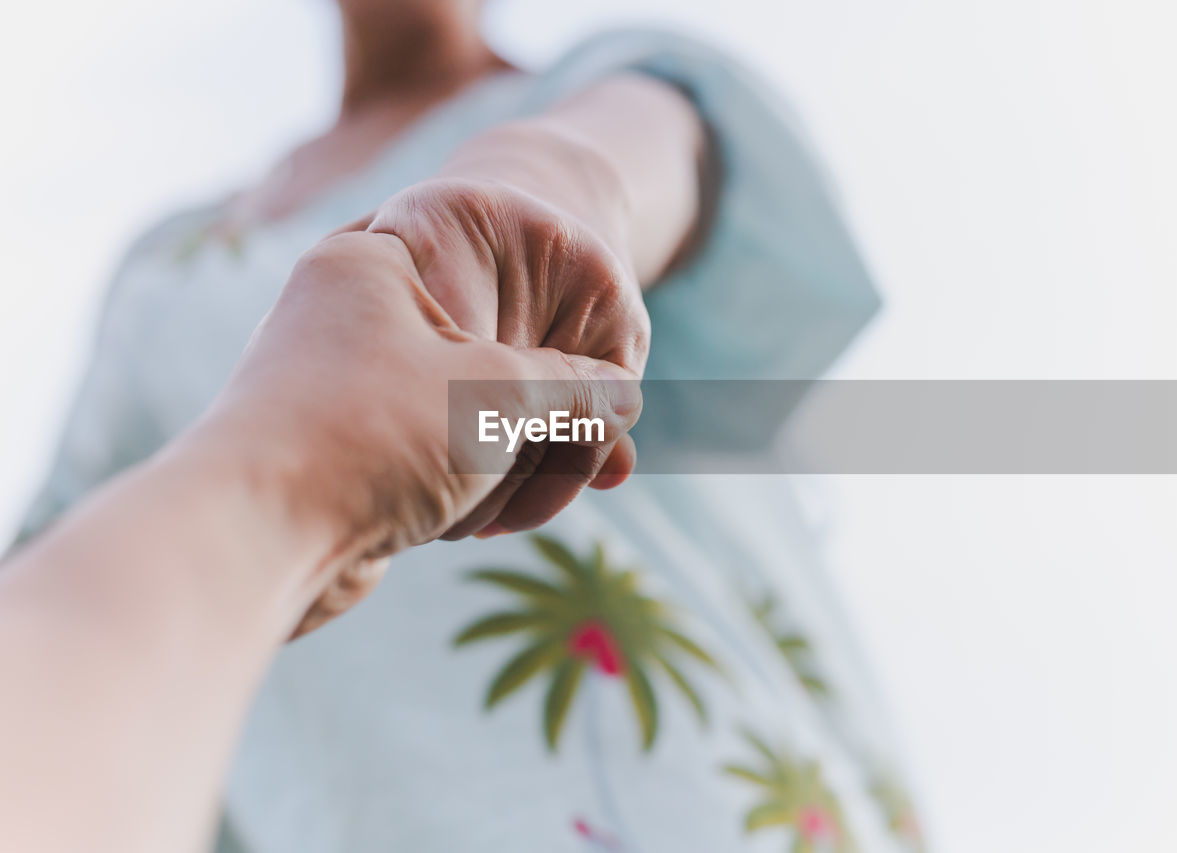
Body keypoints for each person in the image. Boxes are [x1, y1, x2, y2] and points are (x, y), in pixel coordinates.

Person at [11, 1, 920, 850]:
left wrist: (525, 202)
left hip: (699, 786)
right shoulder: (166, 259)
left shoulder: (617, 82)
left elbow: (629, 158)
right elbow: (59, 574)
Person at [0, 231, 641, 853]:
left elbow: (596, 196)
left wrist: (501, 195)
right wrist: (303, 479)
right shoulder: (163, 246)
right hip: (204, 750)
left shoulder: (567, 124)